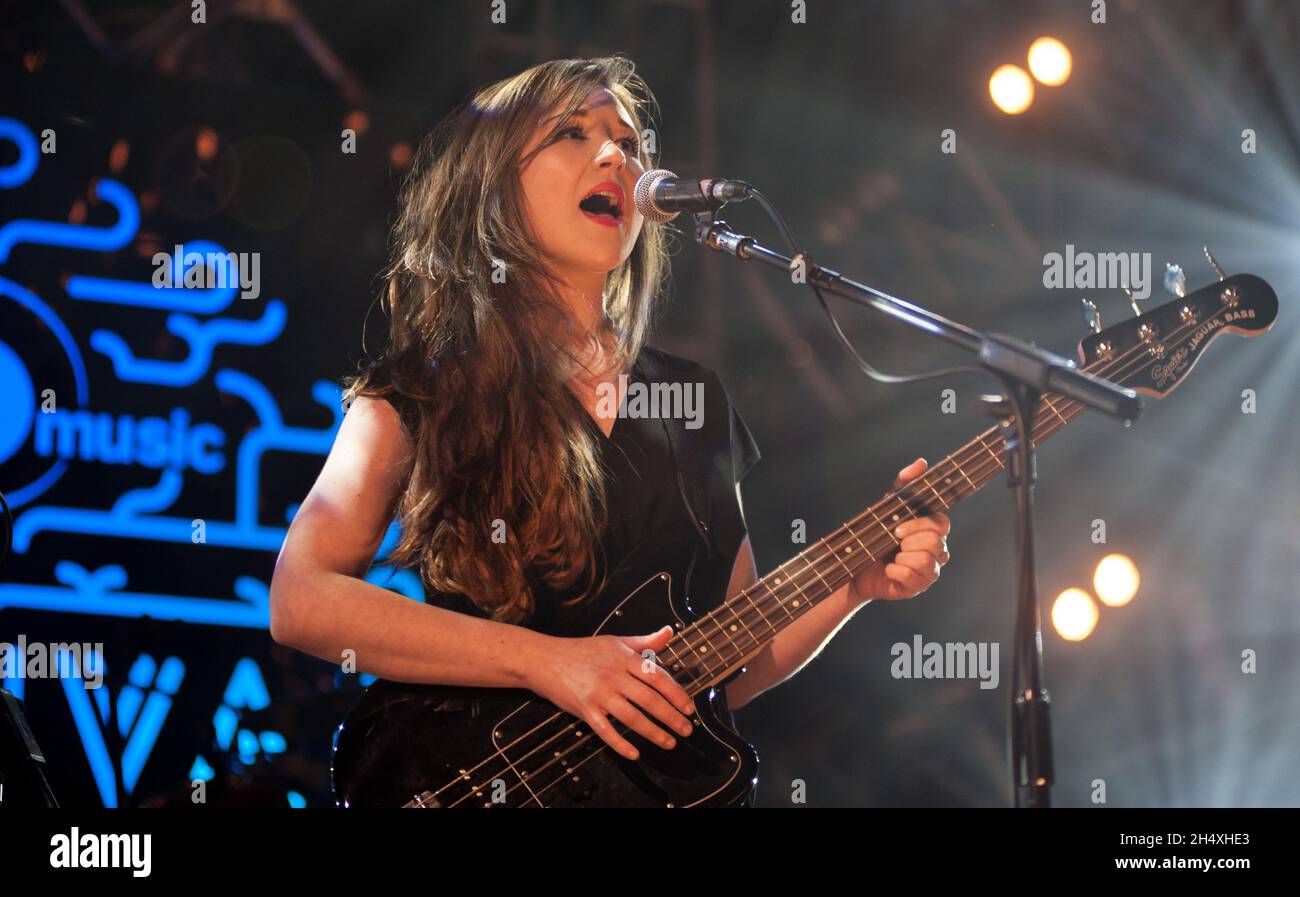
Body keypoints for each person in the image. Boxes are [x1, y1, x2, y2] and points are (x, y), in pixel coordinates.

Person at [269, 55, 951, 767]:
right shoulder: (420, 391)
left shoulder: (695, 402)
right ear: (495, 186)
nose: (614, 157)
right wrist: (549, 661)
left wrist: (853, 586)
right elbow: (302, 597)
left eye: (629, 144)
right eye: (571, 134)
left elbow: (729, 669)